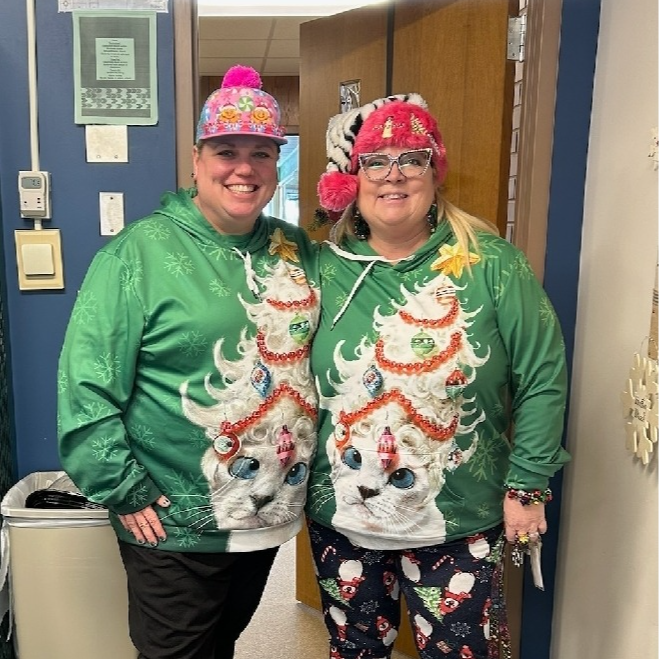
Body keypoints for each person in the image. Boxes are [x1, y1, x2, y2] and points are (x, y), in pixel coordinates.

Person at [57, 65, 319, 659]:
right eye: (227, 151)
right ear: (197, 159)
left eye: (261, 152)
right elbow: (85, 384)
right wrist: (122, 488)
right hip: (172, 517)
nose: (244, 168)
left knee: (218, 642)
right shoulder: (137, 254)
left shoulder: (294, 247)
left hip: (268, 509)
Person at [305, 93, 570, 659]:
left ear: (434, 171)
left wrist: (527, 486)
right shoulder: (321, 269)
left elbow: (543, 375)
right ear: (353, 178)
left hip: (458, 517)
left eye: (413, 158)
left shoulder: (492, 263)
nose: (393, 175)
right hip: (343, 513)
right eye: (377, 160)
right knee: (352, 652)